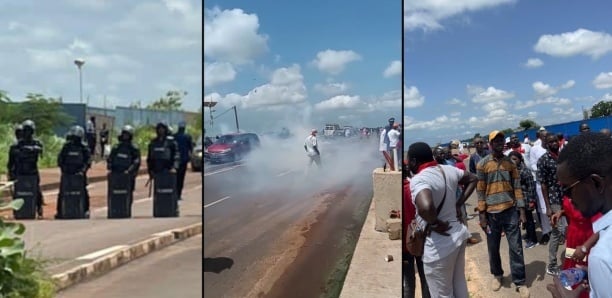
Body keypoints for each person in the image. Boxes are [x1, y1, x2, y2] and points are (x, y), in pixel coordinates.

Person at [408, 142, 478, 297]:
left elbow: (426, 208)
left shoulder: (419, 179)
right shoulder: (449, 169)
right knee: (459, 284)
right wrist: (458, 204)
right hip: (458, 236)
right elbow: (473, 178)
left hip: (439, 246)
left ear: (413, 161)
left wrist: (433, 222)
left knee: (442, 294)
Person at [546, 132, 612, 297]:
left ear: (596, 183)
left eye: (568, 189)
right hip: (574, 237)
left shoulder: (602, 256)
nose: (567, 197)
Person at [476, 130, 530, 297]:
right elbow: (480, 191)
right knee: (493, 248)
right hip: (491, 214)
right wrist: (482, 216)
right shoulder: (483, 165)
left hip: (510, 211)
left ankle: (519, 281)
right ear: (490, 144)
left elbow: (517, 188)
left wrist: (521, 211)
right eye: (495, 141)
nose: (499, 143)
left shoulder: (511, 164)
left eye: (501, 140)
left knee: (516, 248)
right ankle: (497, 275)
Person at [537, 134, 567, 276]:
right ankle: (552, 264)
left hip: (567, 197)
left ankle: (572, 259)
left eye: (556, 140)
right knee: (557, 231)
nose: (554, 143)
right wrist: (548, 207)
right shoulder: (543, 160)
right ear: (546, 144)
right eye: (551, 141)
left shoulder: (563, 156)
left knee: (571, 229)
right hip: (554, 199)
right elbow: (543, 185)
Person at [403, 161, 431, 298]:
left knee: (408, 281)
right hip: (420, 240)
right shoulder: (414, 189)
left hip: (404, 246)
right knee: (425, 277)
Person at [7, 120, 45, 219]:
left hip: (32, 172)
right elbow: (11, 161)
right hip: (20, 172)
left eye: (30, 131)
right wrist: (11, 173)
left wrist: (31, 149)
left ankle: (39, 208)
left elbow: (40, 151)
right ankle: (17, 210)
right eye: (26, 131)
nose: (27, 133)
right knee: (17, 192)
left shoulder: (37, 143)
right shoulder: (16, 145)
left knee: (36, 190)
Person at [57, 125, 91, 218]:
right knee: (62, 192)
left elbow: (88, 161)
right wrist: (63, 170)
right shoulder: (66, 147)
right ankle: (60, 211)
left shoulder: (84, 147)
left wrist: (83, 171)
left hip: (79, 174)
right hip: (67, 174)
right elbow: (60, 159)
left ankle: (85, 210)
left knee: (83, 191)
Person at [147, 122, 180, 215]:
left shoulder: (171, 142)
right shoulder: (153, 143)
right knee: (159, 192)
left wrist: (174, 167)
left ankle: (174, 209)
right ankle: (159, 210)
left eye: (162, 128)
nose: (161, 130)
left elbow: (176, 156)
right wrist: (150, 171)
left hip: (169, 171)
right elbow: (150, 158)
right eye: (159, 128)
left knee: (171, 191)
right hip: (158, 171)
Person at [508, 151, 539, 249]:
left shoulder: (525, 171)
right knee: (523, 219)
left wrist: (531, 201)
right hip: (517, 200)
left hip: (526, 199)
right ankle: (528, 235)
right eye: (511, 159)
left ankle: (533, 240)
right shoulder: (512, 170)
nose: (512, 161)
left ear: (520, 159)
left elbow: (531, 187)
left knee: (529, 220)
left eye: (514, 159)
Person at [107, 125, 140, 208]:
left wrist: (130, 170)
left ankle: (127, 206)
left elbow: (136, 161)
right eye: (124, 134)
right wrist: (110, 167)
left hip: (128, 174)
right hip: (116, 173)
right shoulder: (116, 147)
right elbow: (110, 158)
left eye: (127, 135)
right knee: (115, 191)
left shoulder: (134, 148)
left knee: (128, 191)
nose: (125, 136)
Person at [530, 129, 552, 245]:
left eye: (547, 136)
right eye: (543, 137)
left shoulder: (553, 146)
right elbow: (532, 163)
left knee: (556, 207)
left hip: (553, 183)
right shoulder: (535, 149)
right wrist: (541, 171)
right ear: (540, 137)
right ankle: (546, 232)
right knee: (543, 209)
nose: (545, 138)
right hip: (541, 182)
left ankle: (559, 232)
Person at [173, 121, 193, 201]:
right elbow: (191, 148)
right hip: (183, 161)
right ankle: (178, 194)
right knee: (180, 178)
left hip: (175, 161)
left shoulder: (174, 136)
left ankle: (175, 194)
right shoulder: (187, 137)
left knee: (175, 178)